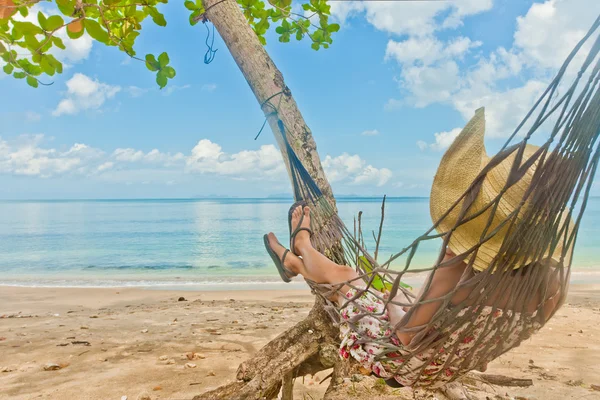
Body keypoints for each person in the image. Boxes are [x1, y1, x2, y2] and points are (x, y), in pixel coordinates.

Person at [263, 108, 566, 388]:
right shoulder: (553, 283)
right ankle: (294, 262)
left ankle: (301, 245)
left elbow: (406, 336)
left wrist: (394, 299)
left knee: (347, 277)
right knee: (366, 286)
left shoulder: (460, 265)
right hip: (443, 365)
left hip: (398, 360)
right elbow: (489, 337)